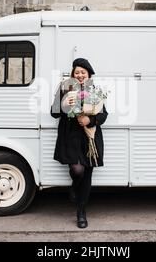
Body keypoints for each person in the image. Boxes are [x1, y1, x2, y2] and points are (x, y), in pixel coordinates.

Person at [50, 58, 108, 229]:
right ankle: (75, 186)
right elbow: (53, 113)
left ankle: (81, 212)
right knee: (77, 170)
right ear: (73, 74)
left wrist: (89, 120)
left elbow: (104, 115)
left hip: (89, 136)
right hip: (70, 136)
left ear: (89, 74)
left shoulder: (95, 90)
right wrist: (62, 106)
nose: (80, 75)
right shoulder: (64, 88)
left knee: (87, 174)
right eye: (77, 72)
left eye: (83, 72)